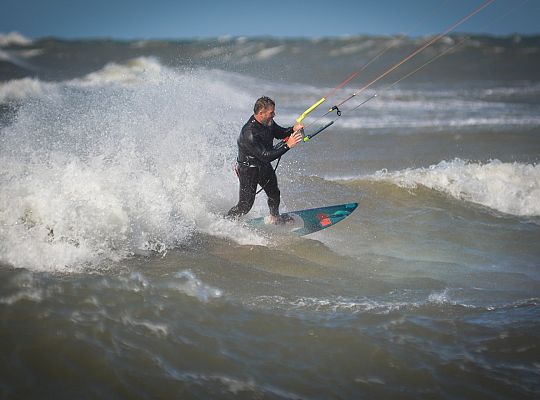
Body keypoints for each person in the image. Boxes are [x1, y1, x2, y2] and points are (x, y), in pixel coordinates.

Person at [226, 96, 303, 224]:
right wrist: (287, 145)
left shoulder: (269, 123)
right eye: (271, 113)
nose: (274, 115)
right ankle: (226, 222)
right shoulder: (249, 133)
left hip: (263, 166)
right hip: (249, 170)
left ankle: (274, 218)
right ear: (261, 113)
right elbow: (265, 155)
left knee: (274, 194)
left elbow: (279, 133)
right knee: (245, 206)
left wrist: (292, 129)